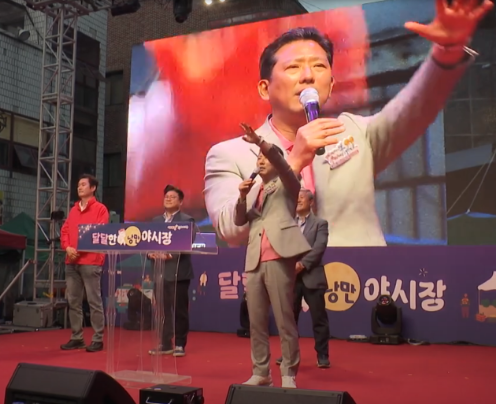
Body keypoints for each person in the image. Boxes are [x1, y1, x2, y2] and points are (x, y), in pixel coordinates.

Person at [204, 0, 491, 247]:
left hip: (362, 281)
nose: (308, 76)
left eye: (319, 66)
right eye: (293, 67)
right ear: (265, 89)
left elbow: (414, 108)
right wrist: (293, 161)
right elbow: (231, 230)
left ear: (330, 85)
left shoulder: (354, 132)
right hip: (278, 286)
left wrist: (445, 53)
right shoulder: (229, 154)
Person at [237, 124, 311, 389]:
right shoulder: (256, 191)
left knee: (284, 319)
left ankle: (288, 372)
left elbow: (281, 163)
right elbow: (239, 220)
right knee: (256, 322)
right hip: (254, 259)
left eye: (264, 157)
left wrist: (260, 142)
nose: (261, 160)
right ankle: (261, 372)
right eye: (258, 158)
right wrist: (241, 196)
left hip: (278, 256)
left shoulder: (289, 182)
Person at [276, 188, 331, 368]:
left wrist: (301, 265)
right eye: (296, 197)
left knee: (319, 319)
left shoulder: (320, 224)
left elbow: (319, 248)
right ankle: (288, 355)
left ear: (311, 202)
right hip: (291, 278)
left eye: (301, 197)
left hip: (312, 276)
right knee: (289, 320)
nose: (298, 200)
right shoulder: (288, 224)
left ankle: (322, 355)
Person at [60, 174, 109, 352]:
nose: (79, 187)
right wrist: (67, 248)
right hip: (71, 260)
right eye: (78, 185)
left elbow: (98, 233)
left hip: (91, 260)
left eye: (83, 184)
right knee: (73, 301)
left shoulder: (100, 209)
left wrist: (77, 250)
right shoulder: (73, 210)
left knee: (94, 301)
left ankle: (97, 338)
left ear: (93, 188)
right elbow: (65, 231)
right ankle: (77, 337)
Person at [148, 185, 195, 357]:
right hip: (159, 272)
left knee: (179, 311)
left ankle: (180, 344)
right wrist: (150, 253)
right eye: (166, 196)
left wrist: (169, 254)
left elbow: (188, 242)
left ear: (180, 202)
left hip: (178, 273)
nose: (168, 199)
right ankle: (165, 343)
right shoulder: (155, 221)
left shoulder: (187, 220)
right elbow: (147, 241)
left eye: (172, 197)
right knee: (162, 310)